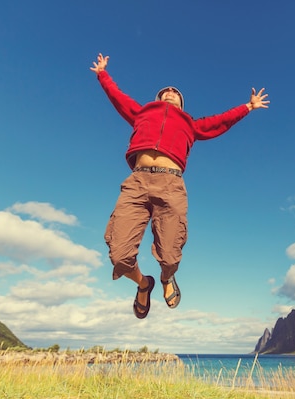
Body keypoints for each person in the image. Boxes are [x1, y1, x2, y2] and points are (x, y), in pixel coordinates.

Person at [90, 53, 269, 319]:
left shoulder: (190, 124)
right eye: (165, 91)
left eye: (175, 93)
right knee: (119, 254)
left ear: (182, 105)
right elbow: (118, 97)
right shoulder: (142, 113)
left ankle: (166, 278)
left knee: (171, 255)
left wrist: (248, 107)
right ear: (158, 100)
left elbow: (220, 121)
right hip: (137, 183)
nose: (171, 92)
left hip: (170, 184)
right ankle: (143, 283)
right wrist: (103, 74)